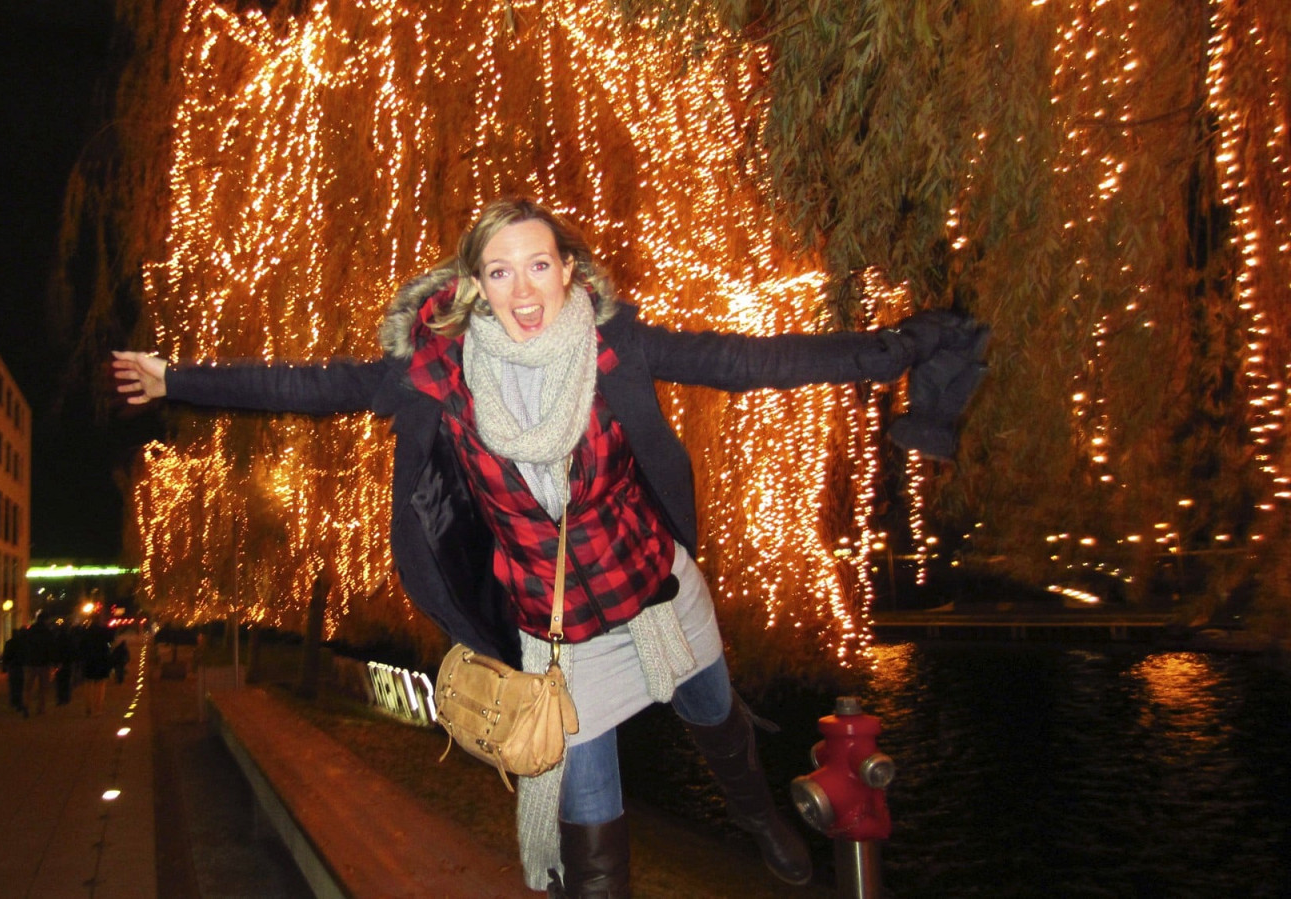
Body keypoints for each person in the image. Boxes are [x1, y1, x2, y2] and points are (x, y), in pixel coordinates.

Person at [112, 197, 985, 895]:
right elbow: (312, 384)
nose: (523, 289)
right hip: (562, 642)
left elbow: (749, 363)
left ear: (569, 270)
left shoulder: (615, 349)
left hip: (656, 593)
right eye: (500, 271)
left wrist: (894, 353)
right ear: (474, 286)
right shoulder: (437, 377)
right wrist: (175, 377)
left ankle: (758, 817)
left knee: (718, 724)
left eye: (539, 264)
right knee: (594, 846)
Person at [21, 617, 56, 716]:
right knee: (43, 688)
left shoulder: (30, 631)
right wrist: (52, 661)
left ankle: (26, 704)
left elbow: (25, 645)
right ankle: (41, 708)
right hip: (44, 663)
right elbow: (51, 648)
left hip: (31, 662)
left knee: (28, 687)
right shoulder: (48, 632)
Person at [81, 618, 115, 716]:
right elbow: (111, 639)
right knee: (100, 685)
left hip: (89, 660)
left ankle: (88, 707)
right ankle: (98, 708)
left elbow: (81, 646)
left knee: (88, 684)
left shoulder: (86, 632)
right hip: (101, 660)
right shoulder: (104, 631)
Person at [2, 629, 28, 716]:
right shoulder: (22, 643)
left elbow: (6, 655)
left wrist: (5, 666)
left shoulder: (9, 643)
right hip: (20, 666)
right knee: (20, 685)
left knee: (13, 684)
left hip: (12, 666)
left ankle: (14, 701)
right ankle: (19, 702)